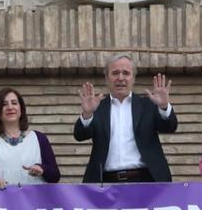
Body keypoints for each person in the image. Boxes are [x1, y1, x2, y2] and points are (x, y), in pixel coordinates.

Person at [75, 54, 177, 182]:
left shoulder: (148, 105)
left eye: (126, 73)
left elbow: (169, 127)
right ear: (106, 78)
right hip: (106, 182)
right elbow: (80, 135)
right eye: (115, 73)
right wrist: (87, 114)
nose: (120, 78)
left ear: (133, 78)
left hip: (146, 180)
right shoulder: (97, 107)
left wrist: (163, 106)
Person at [0, 87, 61, 188]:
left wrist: (42, 169)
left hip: (35, 201)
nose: (10, 107)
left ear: (21, 109)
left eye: (14, 103)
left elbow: (55, 176)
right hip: (1, 201)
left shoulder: (39, 138)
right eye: (4, 104)